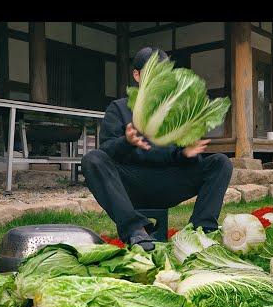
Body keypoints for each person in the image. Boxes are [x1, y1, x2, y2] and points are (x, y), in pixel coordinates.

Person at [81, 47, 233, 251]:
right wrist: (126, 142)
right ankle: (135, 230)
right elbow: (106, 153)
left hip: (169, 182)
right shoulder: (118, 108)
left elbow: (185, 159)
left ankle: (202, 231)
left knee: (221, 163)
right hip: (130, 183)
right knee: (92, 159)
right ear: (137, 75)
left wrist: (187, 154)